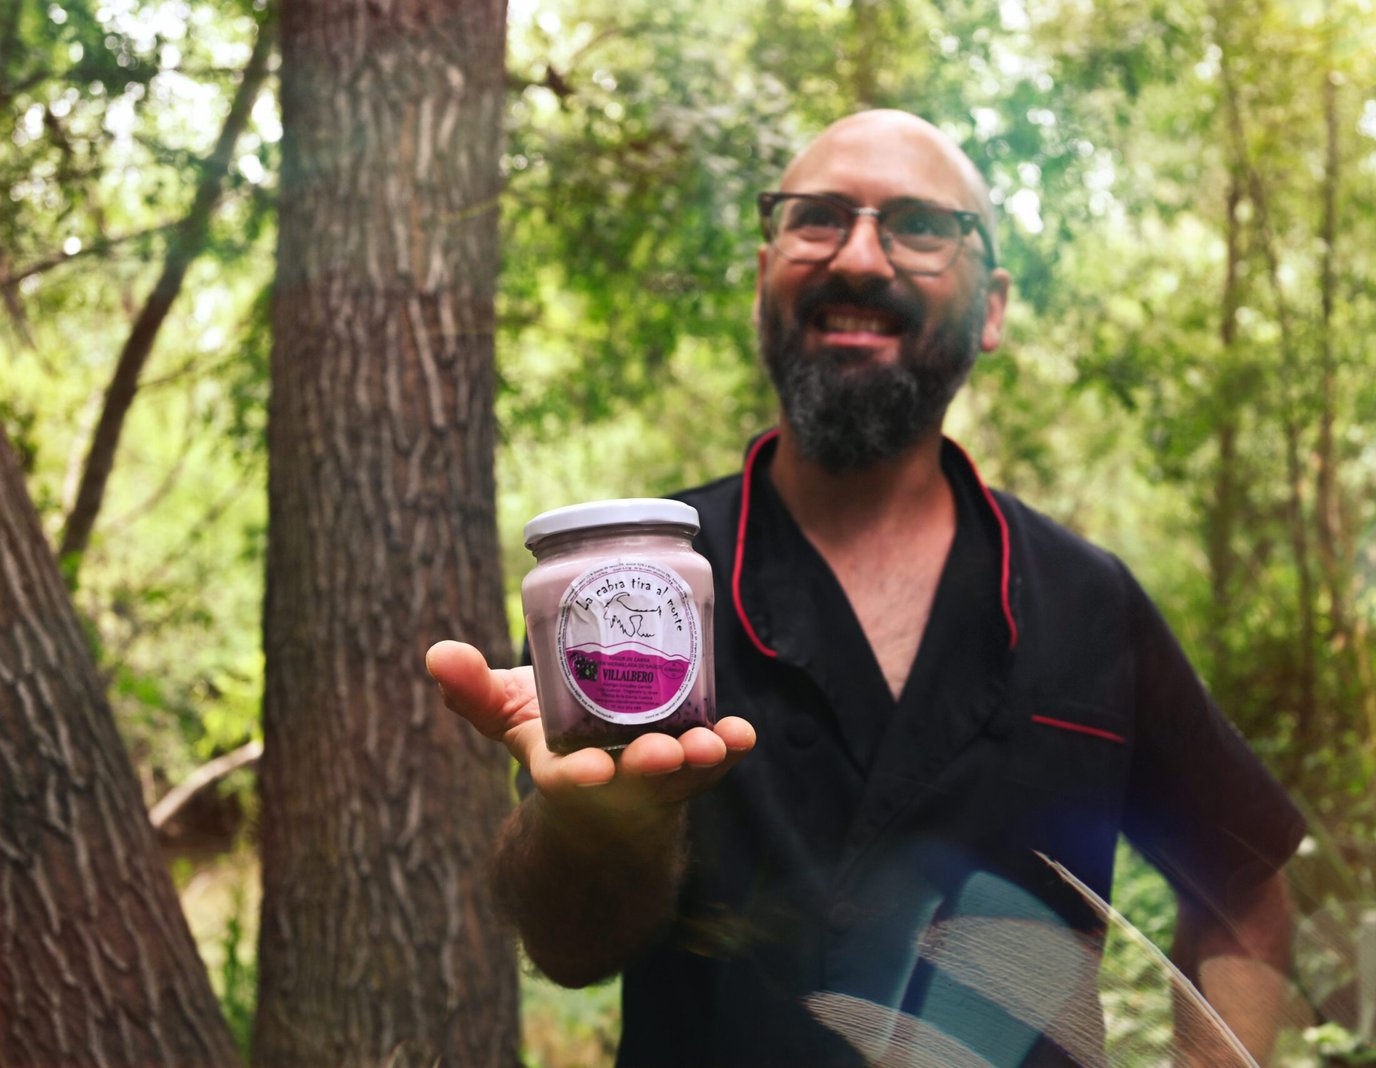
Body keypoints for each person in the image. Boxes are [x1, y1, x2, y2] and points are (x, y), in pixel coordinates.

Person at [428, 109, 1304, 1067]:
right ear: (763, 278)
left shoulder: (1090, 601)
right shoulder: (626, 587)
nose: (857, 256)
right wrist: (598, 831)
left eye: (919, 226)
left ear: (993, 307)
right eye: (816, 218)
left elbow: (1243, 887)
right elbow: (569, 948)